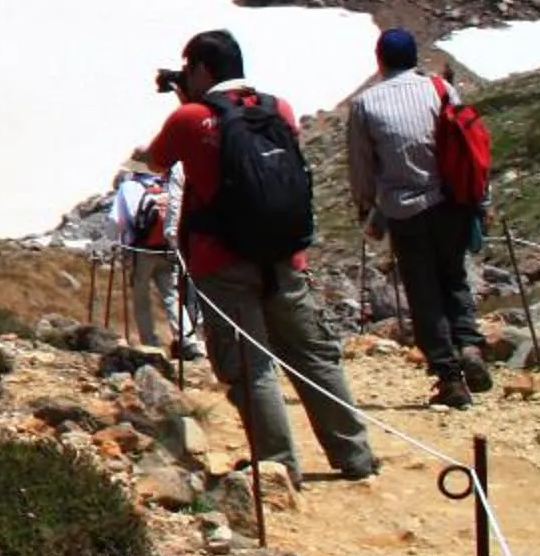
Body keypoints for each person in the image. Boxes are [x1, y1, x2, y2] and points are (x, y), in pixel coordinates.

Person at [137, 29, 381, 482]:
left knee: (251, 366)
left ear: (201, 70)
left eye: (189, 69)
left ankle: (277, 465)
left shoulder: (190, 118)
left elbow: (157, 160)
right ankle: (355, 456)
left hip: (222, 261)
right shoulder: (277, 108)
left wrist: (185, 105)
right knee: (313, 354)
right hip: (284, 255)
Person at [345, 26, 492, 409]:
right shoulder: (441, 89)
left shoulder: (365, 104)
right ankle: (471, 346)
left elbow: (361, 165)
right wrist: (480, 201)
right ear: (415, 58)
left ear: (380, 59)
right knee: (454, 276)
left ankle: (448, 376)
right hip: (452, 202)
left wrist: (366, 207)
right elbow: (467, 142)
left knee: (423, 291)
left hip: (404, 209)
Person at [109, 166, 205, 358]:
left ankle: (150, 343)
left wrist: (116, 243)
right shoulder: (160, 185)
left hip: (141, 250)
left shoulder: (127, 187)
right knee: (172, 296)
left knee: (141, 298)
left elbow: (115, 222)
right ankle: (188, 341)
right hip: (166, 248)